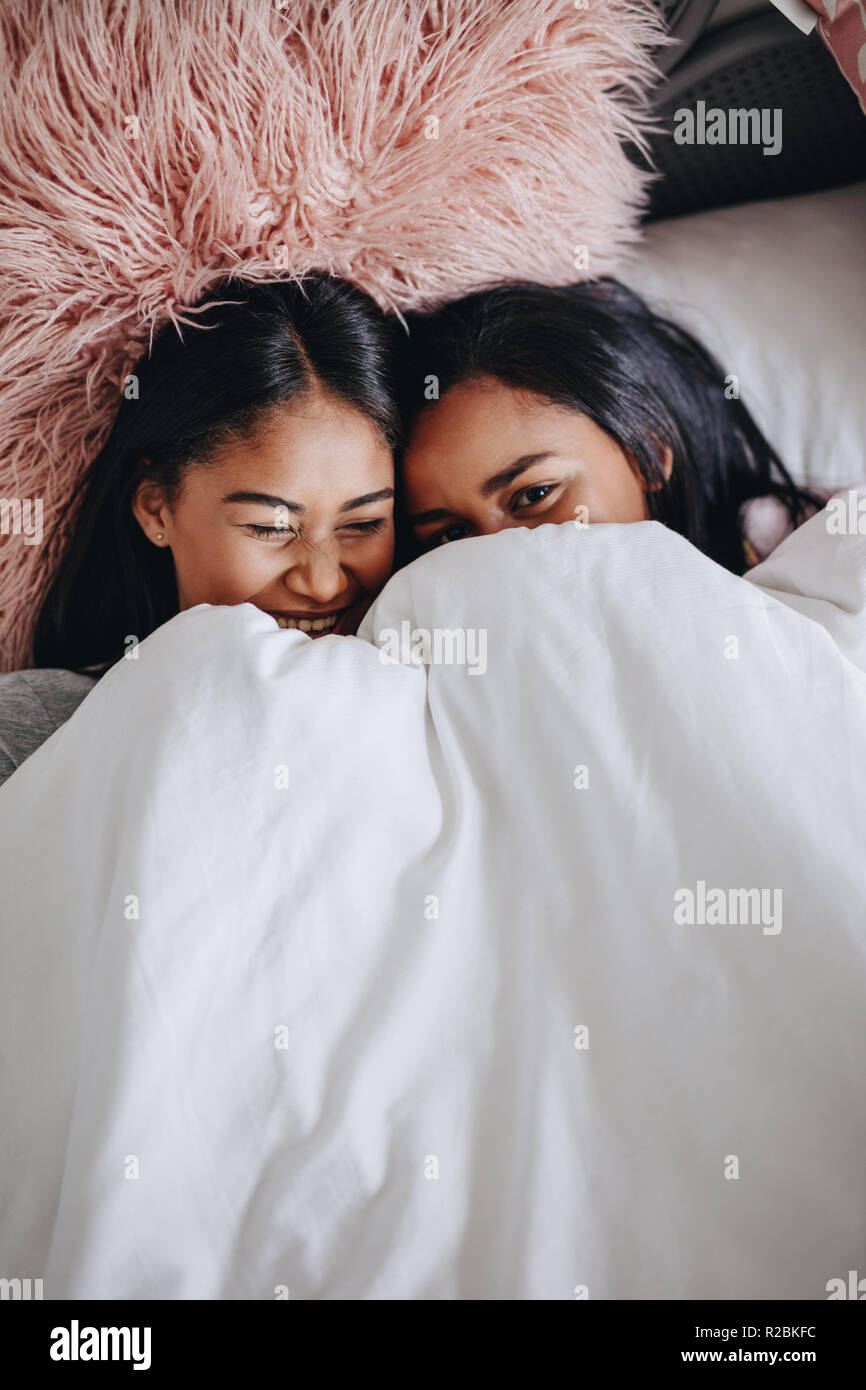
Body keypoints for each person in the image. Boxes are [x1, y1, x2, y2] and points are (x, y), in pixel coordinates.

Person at [0, 275, 400, 787]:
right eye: (268, 528)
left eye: (363, 524)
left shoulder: (445, 714)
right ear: (156, 509)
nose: (323, 584)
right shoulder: (34, 734)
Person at [397, 278, 822, 571]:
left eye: (534, 494)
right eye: (452, 535)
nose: (498, 557)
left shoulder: (817, 552)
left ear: (649, 454)